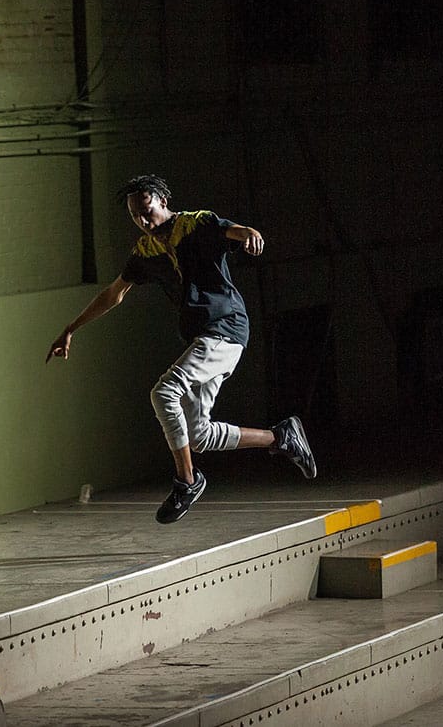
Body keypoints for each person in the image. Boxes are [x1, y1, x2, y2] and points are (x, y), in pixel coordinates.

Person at [46, 174, 316, 524]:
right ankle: (281, 437)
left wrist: (248, 232)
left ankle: (188, 482)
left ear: (162, 200)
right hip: (205, 338)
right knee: (199, 434)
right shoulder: (145, 251)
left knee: (164, 393)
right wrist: (71, 328)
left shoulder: (194, 223)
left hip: (225, 328)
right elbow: (115, 293)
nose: (143, 221)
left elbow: (229, 229)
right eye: (135, 217)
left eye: (147, 211)